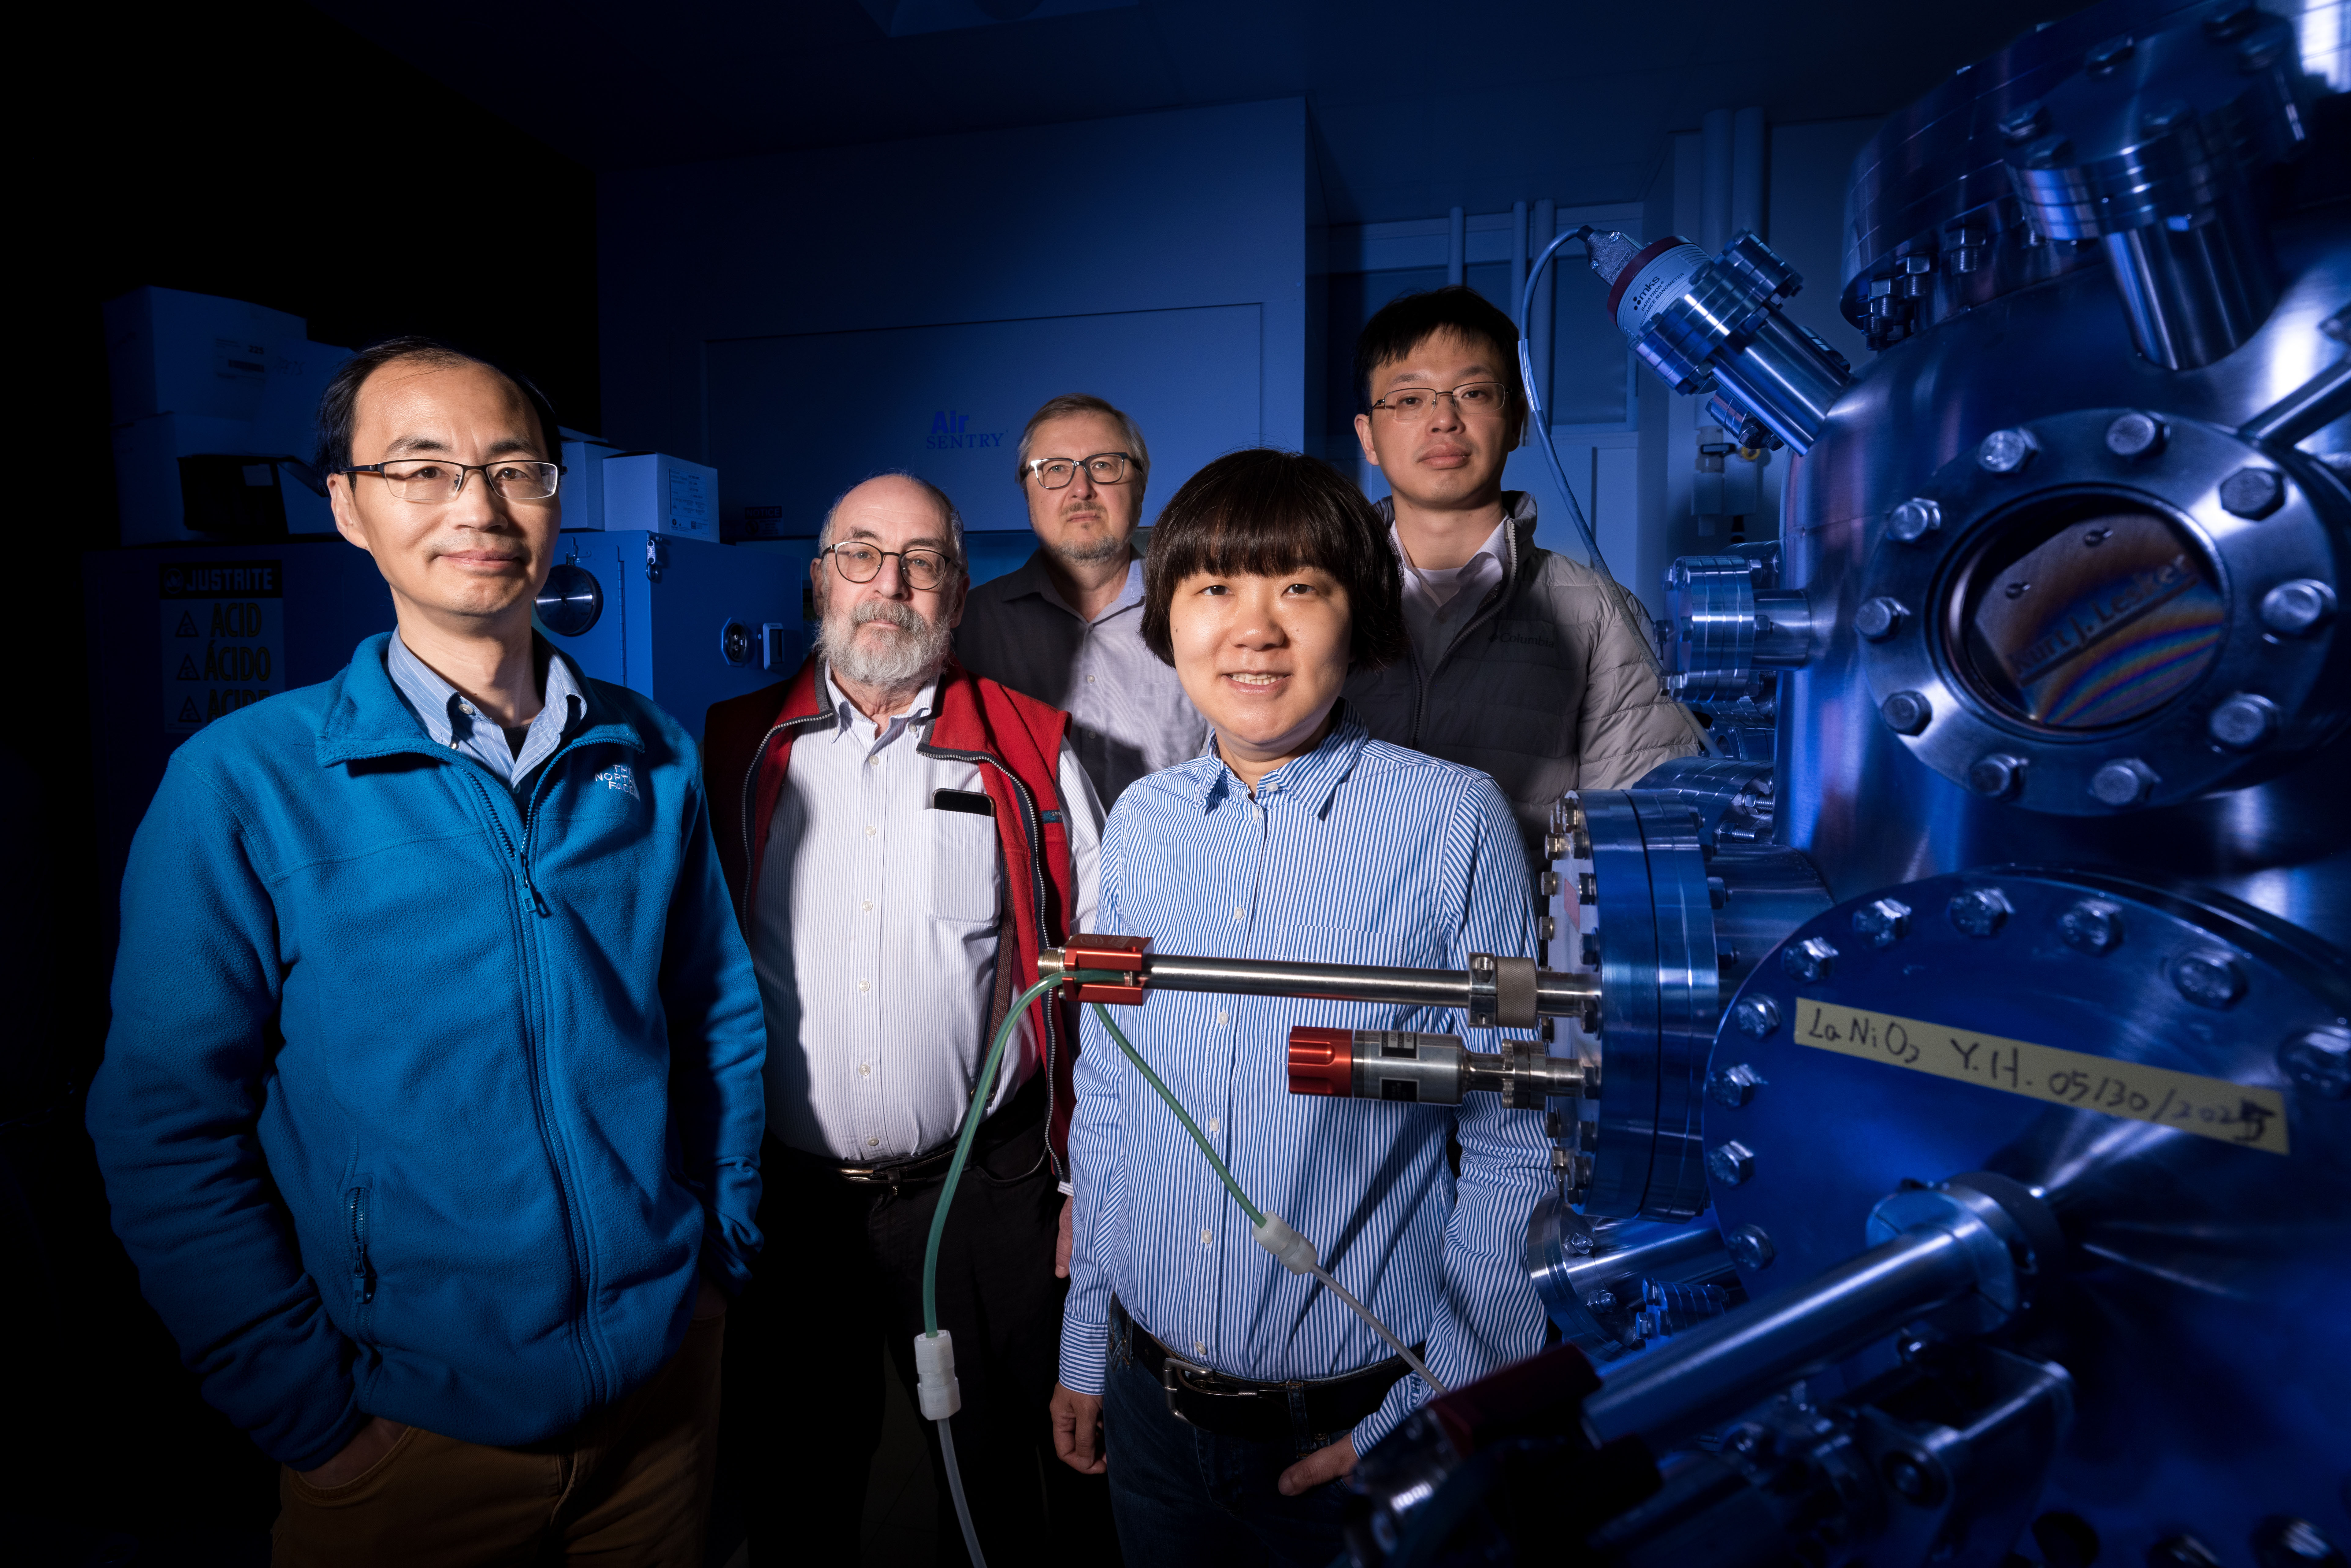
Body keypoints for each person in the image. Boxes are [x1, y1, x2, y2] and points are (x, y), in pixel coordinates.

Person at [86, 337, 766, 1566]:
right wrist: (311, 1416)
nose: (478, 507)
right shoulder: (242, 787)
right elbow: (163, 1126)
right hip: (407, 1441)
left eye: (515, 469)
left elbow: (715, 1011)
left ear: (558, 498)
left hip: (659, 1408)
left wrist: (714, 1260)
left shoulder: (649, 753)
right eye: (423, 469)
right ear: (345, 505)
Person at [1049, 449, 1552, 1567]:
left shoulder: (1452, 820)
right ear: (1168, 617)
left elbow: (1518, 1140)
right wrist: (1088, 1344)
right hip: (1149, 1415)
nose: (1253, 629)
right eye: (1215, 588)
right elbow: (1115, 1097)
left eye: (1299, 586)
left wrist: (1435, 1403)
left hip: (1355, 1429)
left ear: (1357, 614)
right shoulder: (1143, 822)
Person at [703, 473, 1119, 1564]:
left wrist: (1086, 1180)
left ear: (958, 589)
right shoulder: (732, 748)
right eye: (860, 553)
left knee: (1000, 1488)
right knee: (799, 1488)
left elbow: (1093, 985)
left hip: (984, 1195)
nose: (890, 583)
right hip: (789, 1208)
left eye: (923, 558)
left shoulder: (1029, 749)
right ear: (818, 579)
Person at [1346, 285, 1699, 856]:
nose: (1443, 419)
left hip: (1517, 935)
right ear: (1368, 437)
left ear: (1516, 423)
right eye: (1410, 400)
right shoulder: (1314, 594)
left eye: (1474, 392)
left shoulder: (1596, 613)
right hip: (1328, 934)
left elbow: (1638, 834)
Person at [956, 393, 1209, 806]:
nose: (1081, 489)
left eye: (1104, 466)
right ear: (1027, 494)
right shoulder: (967, 628)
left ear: (1141, 487)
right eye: (1055, 469)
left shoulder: (1202, 616)